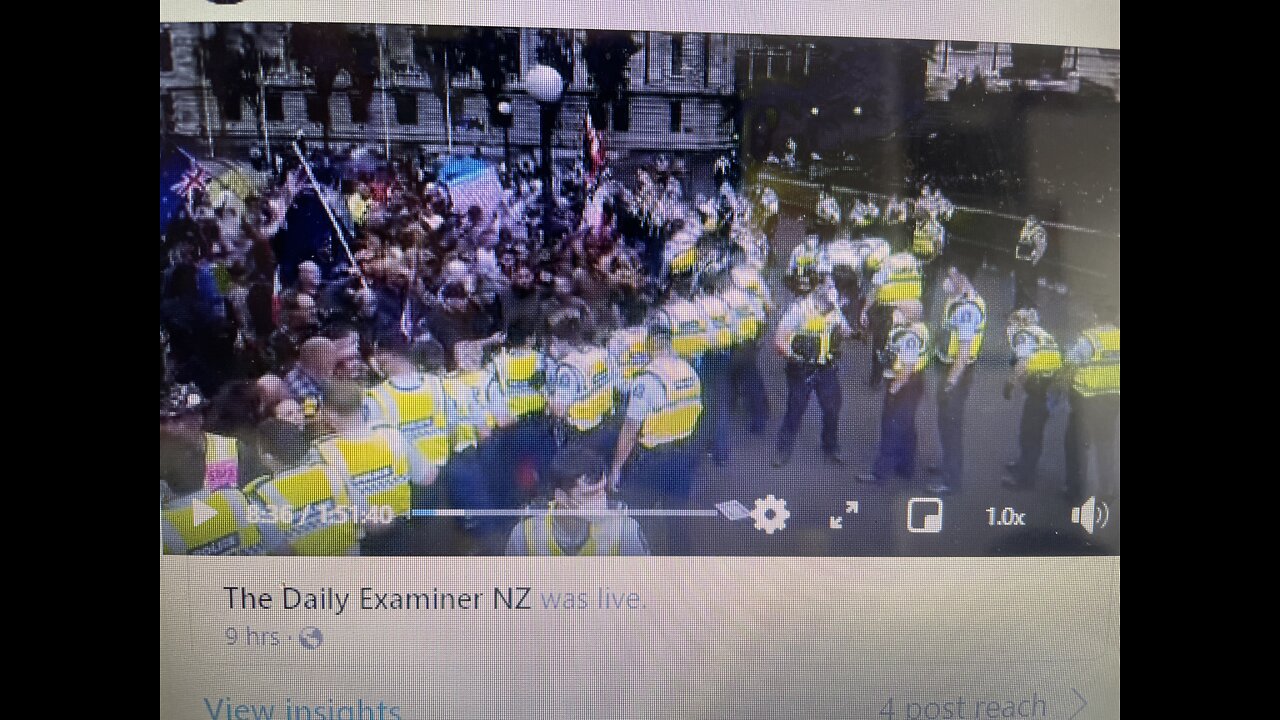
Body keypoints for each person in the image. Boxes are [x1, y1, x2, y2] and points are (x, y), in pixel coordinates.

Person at [609, 317, 704, 550]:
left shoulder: (647, 381)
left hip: (653, 460)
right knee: (678, 519)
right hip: (683, 455)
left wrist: (616, 468)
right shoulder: (689, 372)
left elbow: (630, 430)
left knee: (633, 518)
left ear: (650, 345)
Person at [313, 380, 435, 555]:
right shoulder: (391, 434)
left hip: (361, 544)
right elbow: (428, 476)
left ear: (330, 414)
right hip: (402, 533)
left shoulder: (323, 453)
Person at [245, 419, 361, 556]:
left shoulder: (260, 496)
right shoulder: (333, 472)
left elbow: (281, 551)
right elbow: (360, 518)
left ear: (268, 458)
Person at [771, 276, 855, 467]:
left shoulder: (833, 309)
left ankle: (831, 447)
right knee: (795, 410)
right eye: (827, 289)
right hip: (802, 370)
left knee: (832, 409)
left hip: (827, 368)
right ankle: (783, 450)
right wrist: (795, 357)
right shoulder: (799, 310)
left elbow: (844, 331)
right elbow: (779, 340)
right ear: (817, 291)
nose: (831, 293)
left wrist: (851, 331)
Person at [505, 447, 649, 556]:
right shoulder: (524, 537)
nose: (602, 501)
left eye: (602, 490)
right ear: (561, 497)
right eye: (590, 494)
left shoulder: (625, 531)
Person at [928, 269, 986, 494]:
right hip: (951, 368)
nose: (947, 281)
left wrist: (950, 382)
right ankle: (947, 466)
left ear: (963, 279)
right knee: (945, 423)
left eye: (952, 277)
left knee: (951, 425)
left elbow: (963, 352)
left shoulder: (967, 309)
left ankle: (951, 481)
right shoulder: (959, 301)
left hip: (956, 372)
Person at [860, 300, 930, 485]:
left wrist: (893, 388)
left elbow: (906, 368)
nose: (894, 313)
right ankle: (905, 467)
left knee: (891, 427)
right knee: (906, 425)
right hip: (914, 383)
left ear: (907, 314)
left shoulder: (908, 335)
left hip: (904, 384)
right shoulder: (919, 328)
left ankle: (881, 473)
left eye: (898, 310)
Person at [1000, 308, 1063, 490]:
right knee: (1032, 432)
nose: (1009, 327)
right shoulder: (1042, 333)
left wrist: (1011, 384)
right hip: (1050, 387)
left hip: (1040, 390)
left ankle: (1024, 479)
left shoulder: (1023, 335)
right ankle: (1024, 465)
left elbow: (1023, 363)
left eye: (1012, 322)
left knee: (1030, 434)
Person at [1063, 303, 1120, 501]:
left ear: (1096, 315)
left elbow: (1071, 361)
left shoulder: (1090, 338)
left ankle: (1075, 491)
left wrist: (1065, 382)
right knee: (1105, 445)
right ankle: (1107, 491)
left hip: (1086, 402)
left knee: (1077, 445)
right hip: (1112, 402)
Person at [160, 383, 253, 499]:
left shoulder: (234, 450)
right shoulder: (164, 463)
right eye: (164, 421)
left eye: (176, 419)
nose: (168, 427)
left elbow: (256, 495)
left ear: (197, 418)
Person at [863, 249, 923, 386]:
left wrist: (864, 310)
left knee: (880, 346)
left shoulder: (885, 265)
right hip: (910, 309)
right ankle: (901, 372)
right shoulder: (914, 263)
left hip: (887, 311)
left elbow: (874, 292)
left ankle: (876, 380)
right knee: (905, 340)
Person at [1015, 215, 1048, 310]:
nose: (1027, 222)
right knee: (1020, 286)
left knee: (1029, 287)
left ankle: (1031, 310)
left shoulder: (1038, 231)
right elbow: (1020, 242)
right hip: (1021, 261)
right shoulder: (1026, 229)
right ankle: (1018, 308)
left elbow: (1040, 249)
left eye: (1029, 221)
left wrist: (1033, 262)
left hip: (1030, 263)